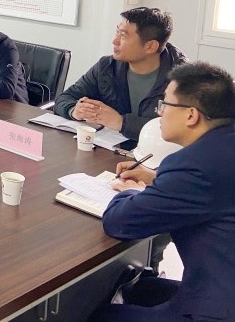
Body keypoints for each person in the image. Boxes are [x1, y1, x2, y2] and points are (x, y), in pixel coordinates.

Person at [90, 62, 235, 321]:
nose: (159, 113)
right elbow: (215, 188)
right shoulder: (223, 148)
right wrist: (157, 179)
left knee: (103, 316)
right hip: (217, 282)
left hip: (217, 310)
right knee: (143, 287)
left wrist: (131, 191)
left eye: (165, 104)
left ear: (191, 115)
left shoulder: (194, 165)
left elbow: (118, 222)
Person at [54, 7, 186, 141]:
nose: (115, 41)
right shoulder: (107, 67)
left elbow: (180, 130)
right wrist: (75, 110)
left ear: (150, 46)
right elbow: (64, 98)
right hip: (110, 148)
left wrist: (121, 122)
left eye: (123, 35)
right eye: (117, 32)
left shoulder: (184, 78)